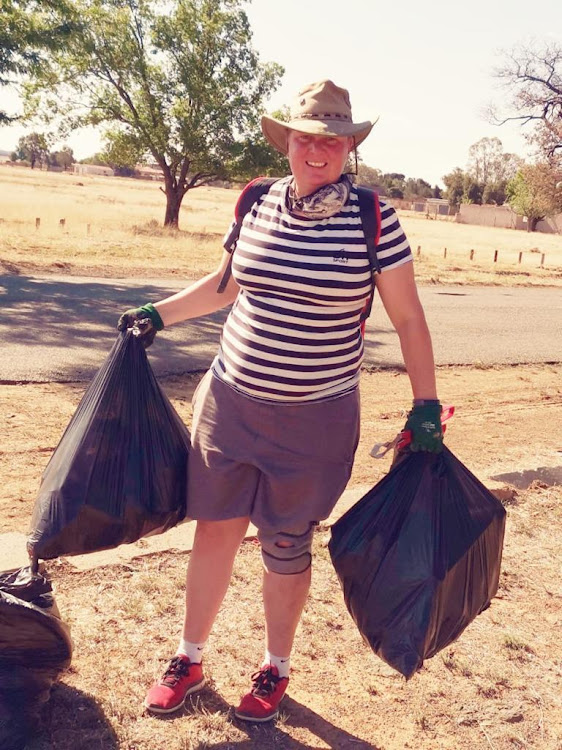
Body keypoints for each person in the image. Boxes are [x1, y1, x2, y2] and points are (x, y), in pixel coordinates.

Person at [118, 79, 443, 723]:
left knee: (287, 544)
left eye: (331, 139)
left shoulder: (375, 219)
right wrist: (157, 314)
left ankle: (275, 669)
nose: (316, 148)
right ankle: (189, 657)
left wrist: (425, 406)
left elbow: (408, 320)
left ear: (348, 146)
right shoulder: (256, 202)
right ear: (287, 141)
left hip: (315, 419)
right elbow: (225, 287)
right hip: (230, 402)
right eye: (305, 136)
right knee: (214, 529)